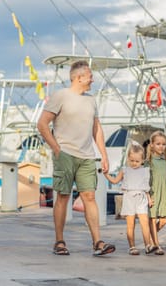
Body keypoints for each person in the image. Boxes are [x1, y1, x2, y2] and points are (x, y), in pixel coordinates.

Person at [37, 60, 115, 256]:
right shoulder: (60, 96)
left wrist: (103, 155)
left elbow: (96, 129)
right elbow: (42, 124)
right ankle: (59, 241)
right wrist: (56, 147)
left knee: (89, 196)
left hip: (87, 156)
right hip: (65, 154)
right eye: (90, 75)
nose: (93, 78)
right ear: (79, 78)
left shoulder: (91, 100)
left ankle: (98, 242)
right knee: (63, 197)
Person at [104, 142, 157, 255]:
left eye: (137, 161)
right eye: (132, 160)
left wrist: (149, 199)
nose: (134, 163)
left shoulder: (145, 171)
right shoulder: (125, 170)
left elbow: (145, 187)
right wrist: (106, 175)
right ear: (128, 158)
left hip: (141, 198)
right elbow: (115, 181)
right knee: (130, 224)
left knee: (144, 223)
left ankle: (148, 245)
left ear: (142, 160)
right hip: (129, 198)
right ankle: (132, 247)